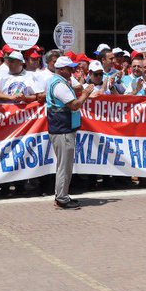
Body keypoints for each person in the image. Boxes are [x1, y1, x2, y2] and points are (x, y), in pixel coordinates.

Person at [46, 56, 96, 210]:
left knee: (64, 165)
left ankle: (62, 195)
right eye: (70, 68)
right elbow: (74, 105)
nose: (72, 71)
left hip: (64, 129)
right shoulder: (59, 85)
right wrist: (86, 93)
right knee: (64, 166)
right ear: (62, 70)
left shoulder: (59, 82)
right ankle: (61, 198)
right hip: (63, 130)